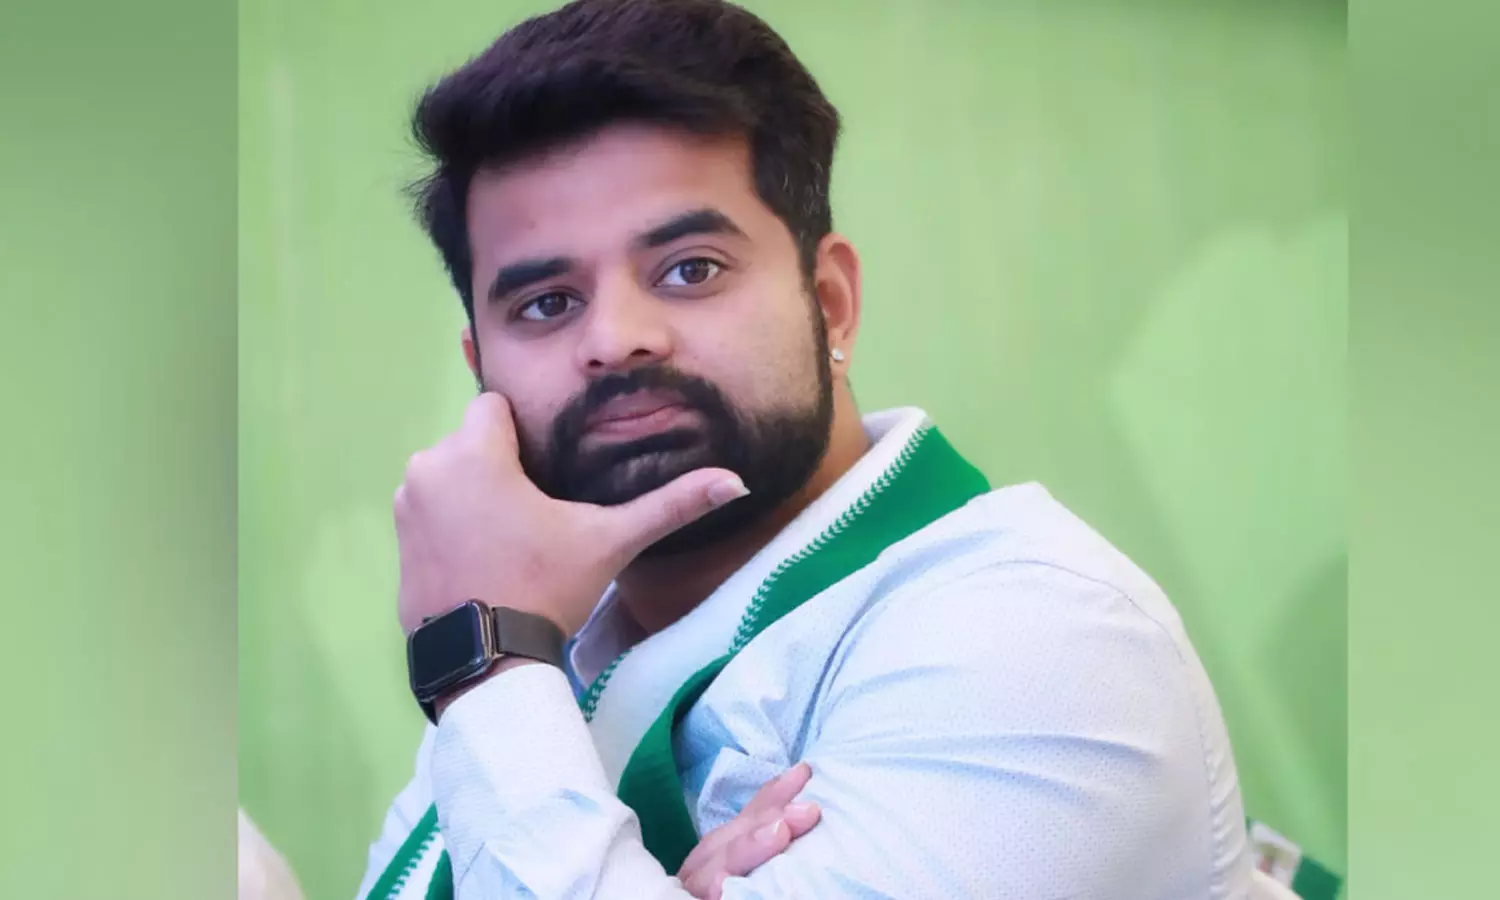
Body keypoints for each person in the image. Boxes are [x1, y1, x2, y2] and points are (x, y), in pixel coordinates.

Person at [357, 0, 1255, 897]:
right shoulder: (545, 656)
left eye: (690, 269)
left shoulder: (1038, 630)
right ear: (481, 371)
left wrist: (483, 662)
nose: (617, 339)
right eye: (547, 303)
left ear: (831, 303)